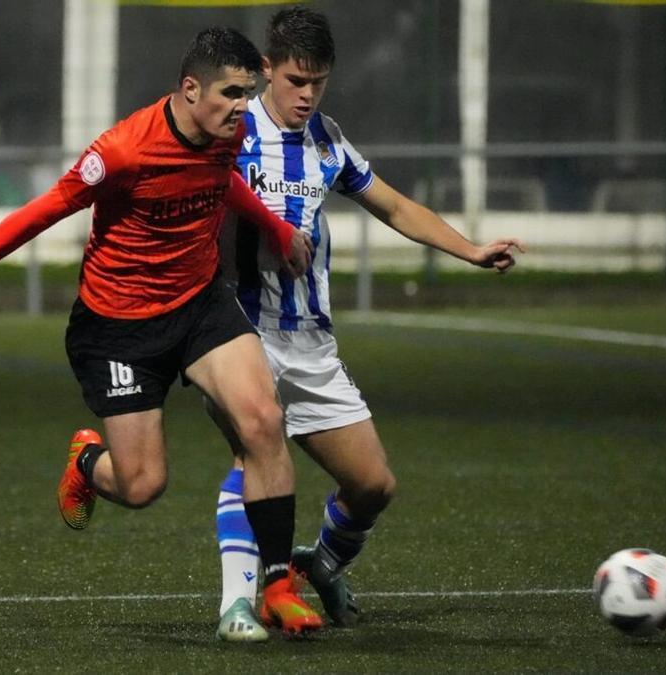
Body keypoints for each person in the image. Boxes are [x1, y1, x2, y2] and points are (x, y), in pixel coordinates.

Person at [0, 26, 324, 637]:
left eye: (249, 92)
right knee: (142, 485)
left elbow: (220, 182)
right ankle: (87, 462)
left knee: (263, 420)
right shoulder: (125, 150)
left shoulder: (225, 133)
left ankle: (278, 586)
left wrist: (275, 228)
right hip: (119, 327)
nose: (244, 107)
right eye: (232, 93)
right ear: (190, 89)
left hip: (199, 304)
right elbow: (46, 207)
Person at [210, 7, 525, 641]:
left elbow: (394, 205)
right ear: (267, 69)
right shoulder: (231, 133)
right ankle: (238, 604)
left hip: (311, 342)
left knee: (373, 484)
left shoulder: (326, 139)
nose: (306, 95)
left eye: (318, 82)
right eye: (296, 80)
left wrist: (469, 249)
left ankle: (322, 564)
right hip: (239, 332)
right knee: (256, 451)